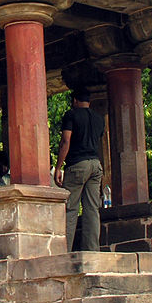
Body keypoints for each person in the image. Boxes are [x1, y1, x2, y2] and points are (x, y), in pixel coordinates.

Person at [53, 89, 105, 251]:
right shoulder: (98, 118)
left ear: (75, 100)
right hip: (96, 164)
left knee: (71, 208)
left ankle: (65, 249)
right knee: (92, 209)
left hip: (77, 164)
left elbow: (65, 141)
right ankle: (92, 250)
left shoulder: (71, 115)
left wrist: (58, 167)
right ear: (89, 101)